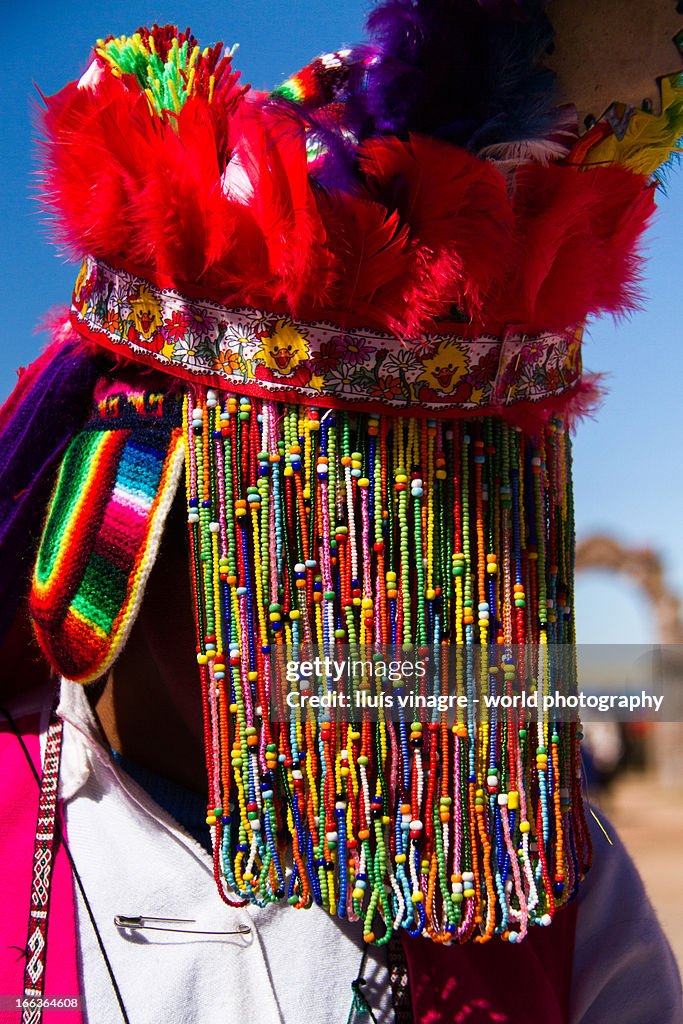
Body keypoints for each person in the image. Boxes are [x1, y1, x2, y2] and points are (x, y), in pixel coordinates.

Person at [1, 5, 682, 1022]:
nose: (403, 628)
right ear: (125, 521)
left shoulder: (544, 885)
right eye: (353, 522)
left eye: (460, 540)